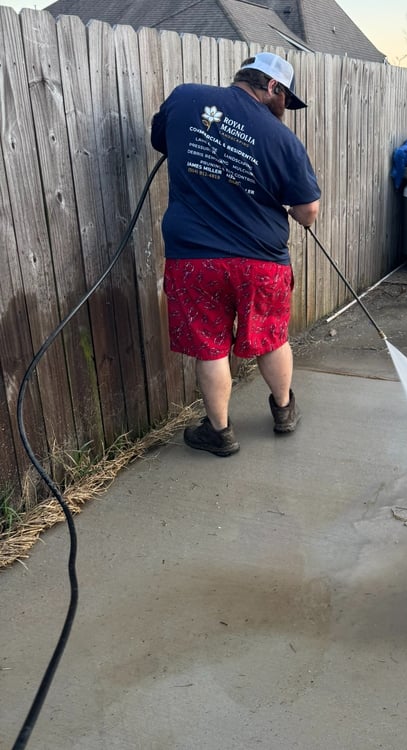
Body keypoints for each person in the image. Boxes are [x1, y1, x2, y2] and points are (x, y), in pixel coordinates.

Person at [150, 52, 321, 457]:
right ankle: (283, 412)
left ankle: (220, 432)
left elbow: (162, 140)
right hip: (260, 263)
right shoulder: (283, 140)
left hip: (195, 259)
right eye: (285, 100)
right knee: (271, 337)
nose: (285, 110)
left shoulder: (185, 98)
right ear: (273, 87)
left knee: (210, 346)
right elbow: (308, 212)